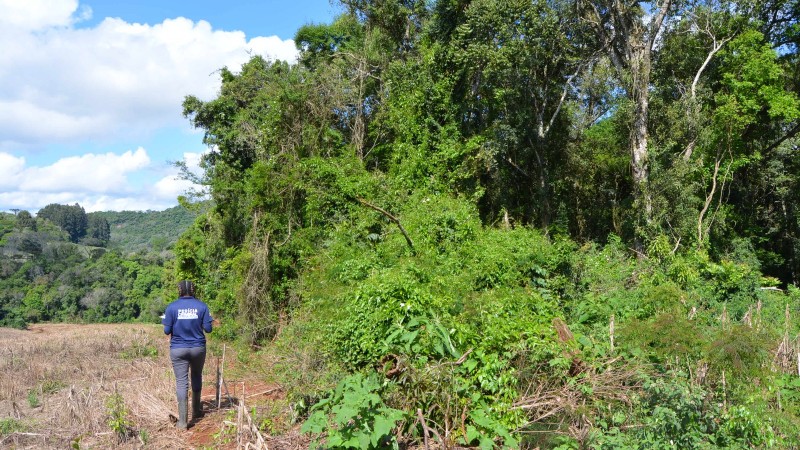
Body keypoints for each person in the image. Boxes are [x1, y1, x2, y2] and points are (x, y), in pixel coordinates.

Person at [162, 280, 213, 429]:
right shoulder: (202, 306)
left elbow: (166, 331)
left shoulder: (171, 307)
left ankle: (183, 422)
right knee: (196, 375)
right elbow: (208, 329)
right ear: (193, 290)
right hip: (198, 348)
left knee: (181, 382)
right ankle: (196, 411)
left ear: (179, 291)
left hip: (178, 349)